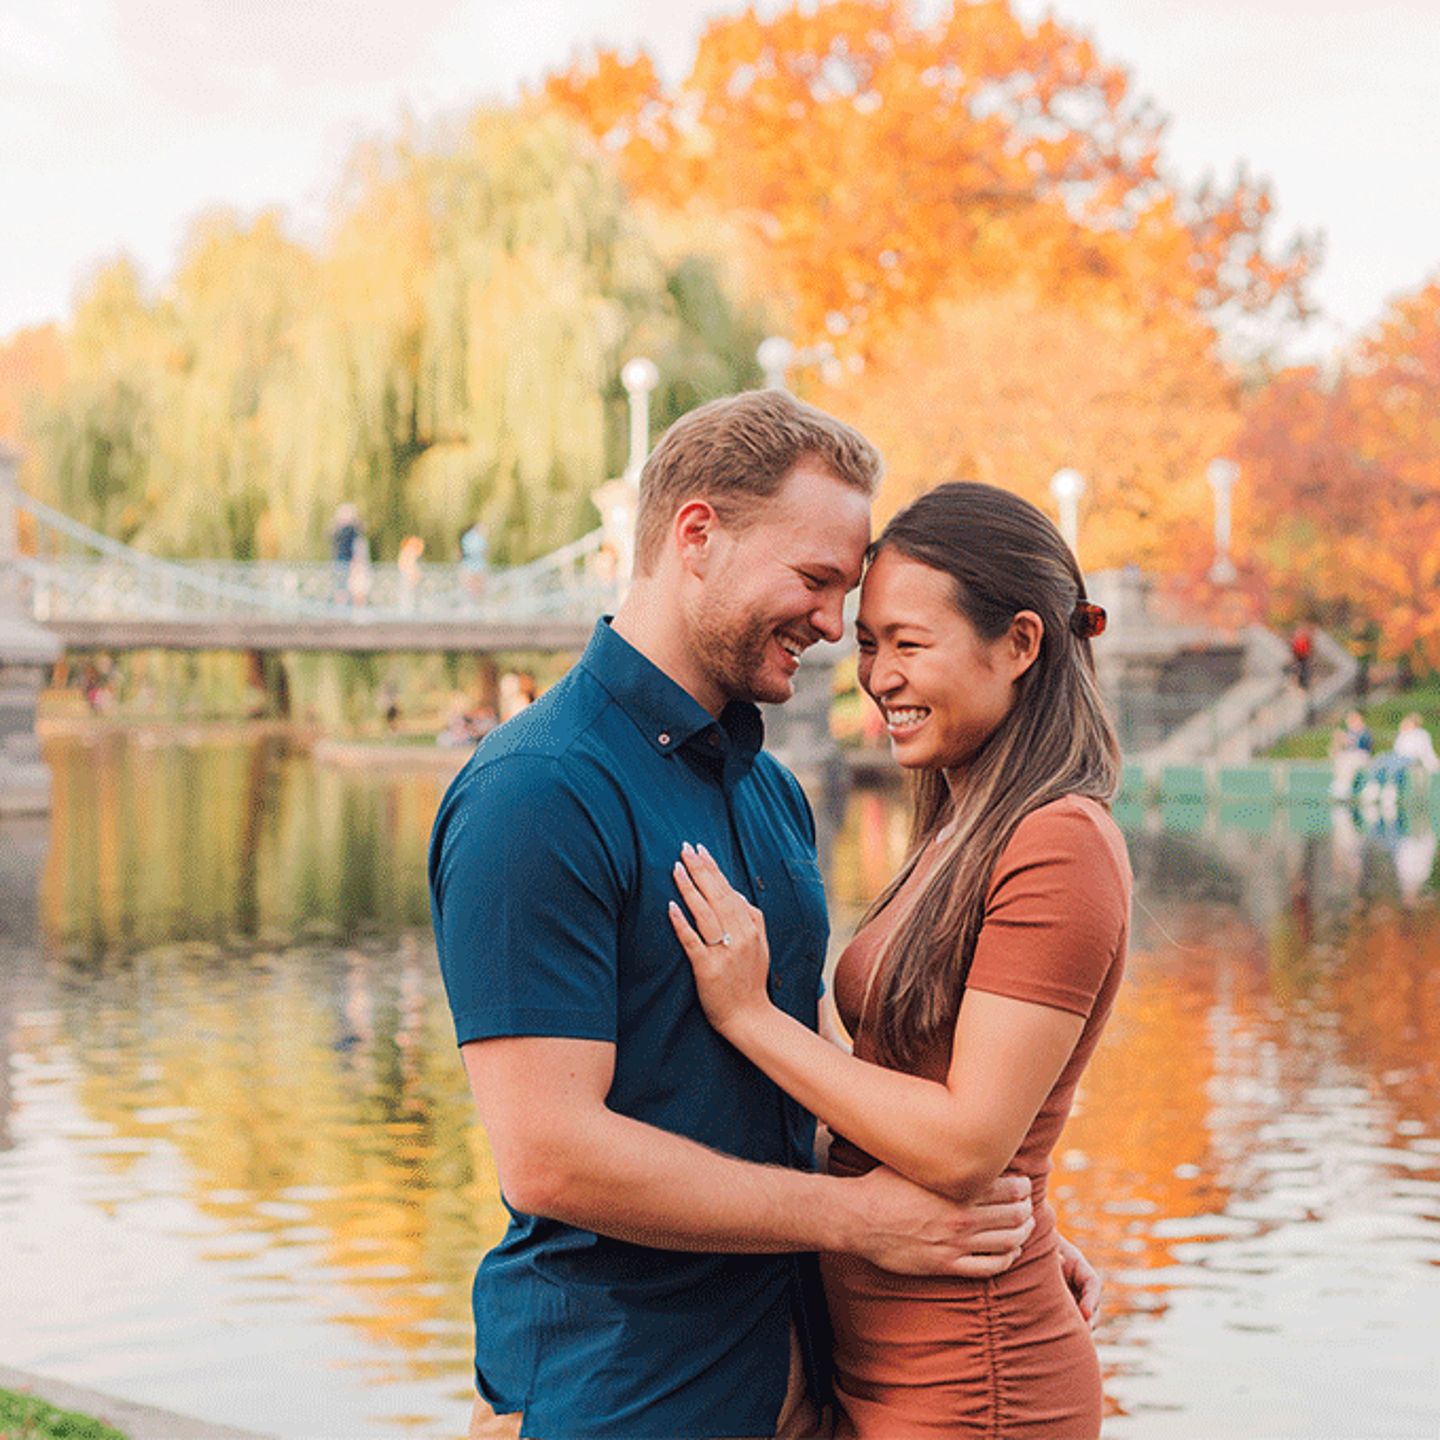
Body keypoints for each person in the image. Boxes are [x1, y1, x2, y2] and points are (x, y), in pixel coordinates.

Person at [429, 393, 1098, 1439]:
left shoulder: (769, 792)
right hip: (626, 1393)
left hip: (798, 1377)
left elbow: (805, 1073)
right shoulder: (537, 790)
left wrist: (958, 1217)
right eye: (818, 581)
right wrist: (865, 1220)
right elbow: (549, 1154)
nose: (837, 627)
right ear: (698, 536)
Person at [670, 481, 1129, 1438]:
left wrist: (750, 1017)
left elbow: (968, 1145)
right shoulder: (965, 825)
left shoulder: (1059, 842)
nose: (876, 676)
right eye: (870, 644)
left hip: (975, 1381)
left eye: (908, 644)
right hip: (890, 1357)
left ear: (1020, 644)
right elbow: (917, 1079)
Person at [1330, 709, 1374, 800]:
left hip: (1361, 756)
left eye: (1353, 718)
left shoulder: (1365, 731)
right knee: (1341, 760)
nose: (1350, 720)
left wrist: (1346, 739)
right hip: (1348, 756)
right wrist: (1337, 741)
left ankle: (1344, 791)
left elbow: (1363, 746)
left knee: (1348, 761)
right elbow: (1336, 750)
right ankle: (1339, 788)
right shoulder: (1348, 731)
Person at [331, 503, 362, 603]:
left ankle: (344, 607)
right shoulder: (342, 530)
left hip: (347, 561)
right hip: (343, 561)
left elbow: (355, 547)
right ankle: (342, 606)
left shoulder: (350, 530)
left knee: (346, 586)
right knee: (342, 585)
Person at [460, 519, 489, 600]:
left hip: (470, 563)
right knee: (476, 582)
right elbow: (484, 551)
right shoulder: (478, 537)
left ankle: (473, 596)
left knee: (471, 583)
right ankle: (476, 596)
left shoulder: (467, 536)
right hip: (475, 563)